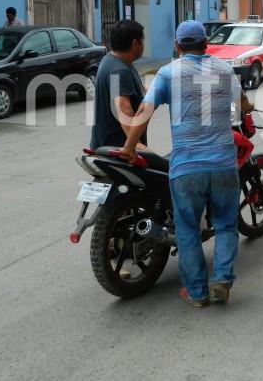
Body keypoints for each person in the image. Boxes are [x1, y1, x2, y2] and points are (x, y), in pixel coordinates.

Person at [119, 20, 254, 308]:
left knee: (188, 230)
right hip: (223, 165)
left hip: (186, 168)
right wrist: (248, 106)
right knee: (227, 225)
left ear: (178, 46)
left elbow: (145, 109)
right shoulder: (224, 69)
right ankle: (222, 280)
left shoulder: (168, 73)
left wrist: (129, 147)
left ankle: (197, 292)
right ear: (206, 44)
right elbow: (242, 103)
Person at [90, 20, 147, 150]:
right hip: (118, 152)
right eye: (142, 41)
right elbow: (122, 108)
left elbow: (135, 88)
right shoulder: (118, 71)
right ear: (135, 43)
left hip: (109, 147)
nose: (143, 45)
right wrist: (136, 145)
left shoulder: (113, 60)